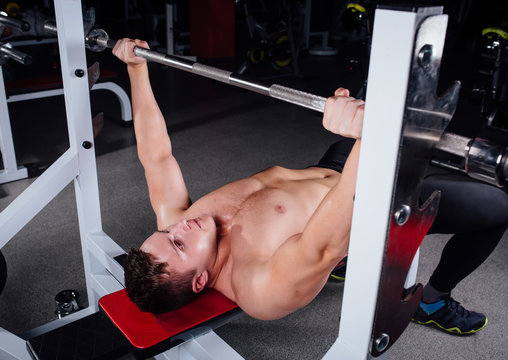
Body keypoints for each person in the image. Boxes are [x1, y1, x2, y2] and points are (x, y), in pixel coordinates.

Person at [113, 39, 508, 332]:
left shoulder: (182, 222)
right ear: (200, 280)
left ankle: (344, 262)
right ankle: (434, 300)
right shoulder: (259, 287)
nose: (180, 225)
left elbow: (156, 157)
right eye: (179, 243)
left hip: (334, 164)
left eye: (167, 231)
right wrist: (366, 139)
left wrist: (136, 68)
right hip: (372, 204)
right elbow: (323, 245)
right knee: (498, 207)